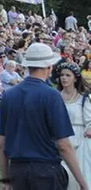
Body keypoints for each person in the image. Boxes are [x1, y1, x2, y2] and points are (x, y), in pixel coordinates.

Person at [0, 42, 88, 190]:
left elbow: (1, 142)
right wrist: (82, 183)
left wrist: (6, 179)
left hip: (17, 170)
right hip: (46, 170)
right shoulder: (52, 95)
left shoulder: (9, 95)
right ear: (49, 67)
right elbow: (64, 145)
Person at [55, 61, 91, 190]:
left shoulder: (84, 98)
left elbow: (90, 120)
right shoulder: (55, 97)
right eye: (62, 75)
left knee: (82, 175)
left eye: (68, 75)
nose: (64, 78)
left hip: (80, 140)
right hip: (60, 139)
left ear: (75, 78)